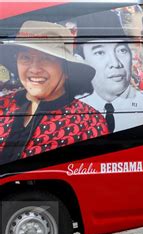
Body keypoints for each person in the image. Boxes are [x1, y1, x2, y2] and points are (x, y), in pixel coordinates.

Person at [0, 21, 108, 165]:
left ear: (67, 70)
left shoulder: (89, 122)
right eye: (26, 58)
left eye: (46, 58)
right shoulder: (3, 104)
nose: (34, 69)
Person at [75, 11, 143, 133]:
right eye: (100, 52)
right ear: (82, 61)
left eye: (121, 51)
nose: (115, 63)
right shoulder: (74, 110)